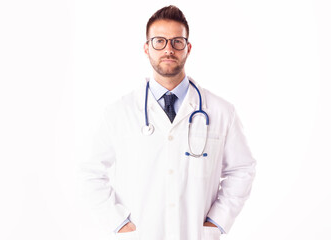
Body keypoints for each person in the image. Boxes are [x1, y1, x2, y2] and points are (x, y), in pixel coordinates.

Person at [79, 5, 256, 240]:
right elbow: (91, 173)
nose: (168, 49)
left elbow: (242, 169)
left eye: (177, 42)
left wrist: (217, 221)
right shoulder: (118, 113)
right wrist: (118, 222)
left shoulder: (222, 111)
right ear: (146, 47)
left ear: (188, 48)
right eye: (159, 41)